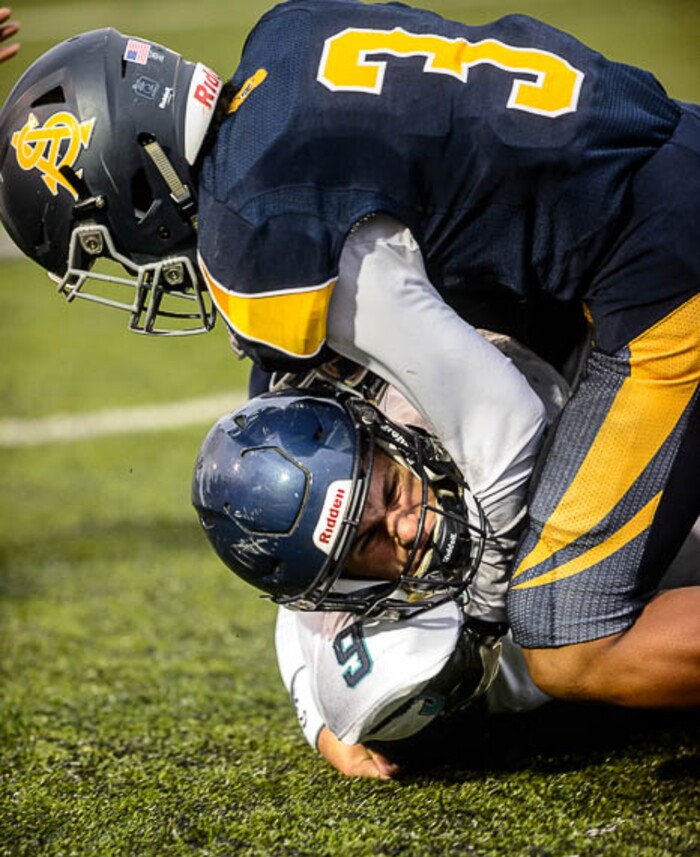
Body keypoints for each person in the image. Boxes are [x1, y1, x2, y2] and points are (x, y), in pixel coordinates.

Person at [0, 2, 698, 705]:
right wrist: (310, 681)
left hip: (659, 267)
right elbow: (291, 401)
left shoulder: (253, 230)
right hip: (670, 153)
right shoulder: (287, 39)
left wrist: (486, 615)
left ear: (132, 180)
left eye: (97, 247)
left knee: (567, 637)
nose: (129, 270)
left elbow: (504, 423)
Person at [192, 350, 700, 779]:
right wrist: (325, 725)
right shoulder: (359, 610)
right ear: (339, 582)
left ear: (386, 434)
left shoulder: (455, 399)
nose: (410, 528)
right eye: (368, 540)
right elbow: (300, 626)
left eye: (391, 490)